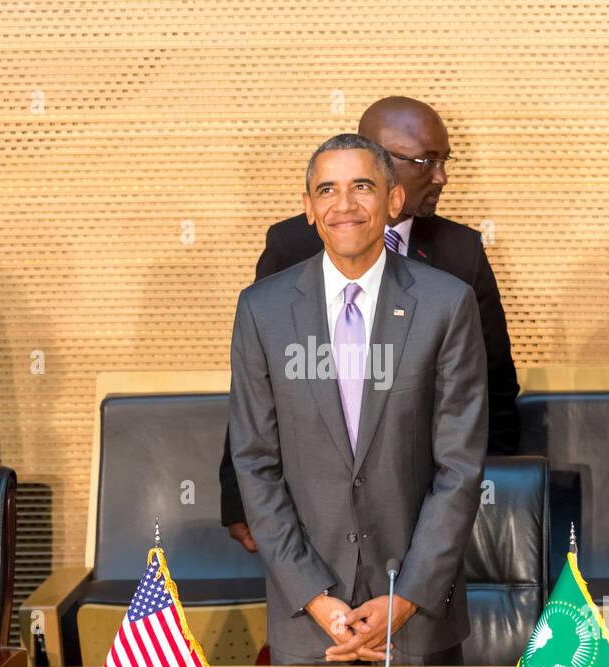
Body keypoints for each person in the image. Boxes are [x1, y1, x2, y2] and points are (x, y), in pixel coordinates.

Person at [229, 134, 486, 665]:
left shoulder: (447, 304)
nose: (343, 205)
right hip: (310, 621)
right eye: (327, 190)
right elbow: (255, 463)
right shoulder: (262, 311)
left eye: (362, 187)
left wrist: (408, 595)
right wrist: (315, 597)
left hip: (415, 623)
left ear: (393, 201)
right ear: (308, 207)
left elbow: (459, 467)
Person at [221, 96, 518, 553]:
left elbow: (494, 389)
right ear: (379, 159)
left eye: (444, 161)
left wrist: (487, 496)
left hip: (427, 507)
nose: (442, 176)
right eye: (428, 161)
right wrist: (240, 496)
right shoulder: (293, 243)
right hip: (312, 514)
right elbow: (259, 386)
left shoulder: (462, 255)